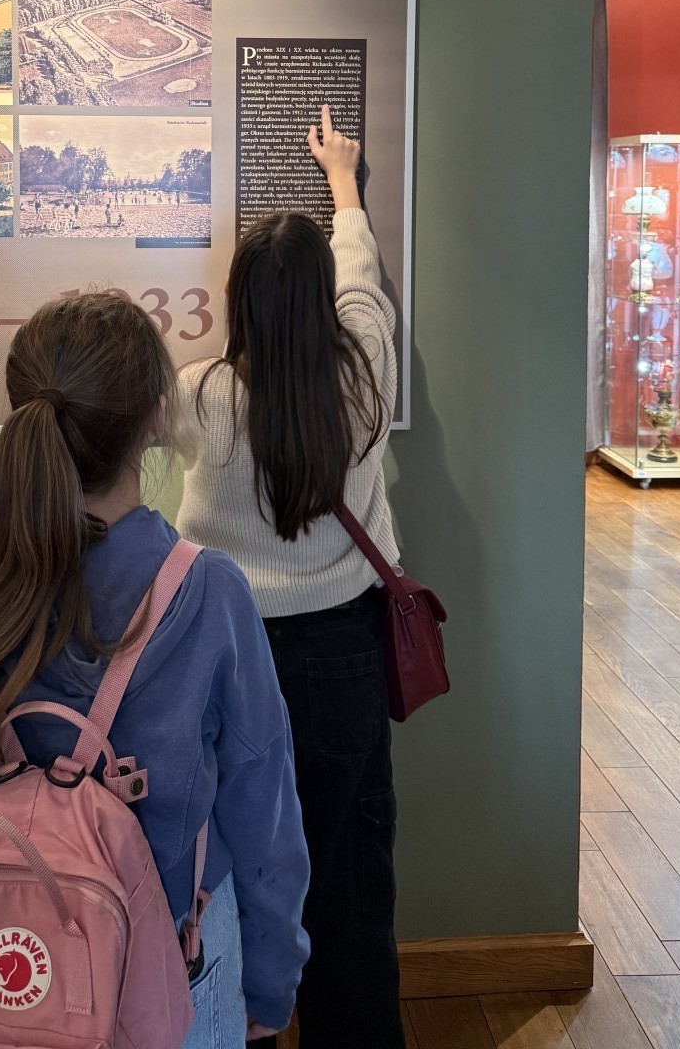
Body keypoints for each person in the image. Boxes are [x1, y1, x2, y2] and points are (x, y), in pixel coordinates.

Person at [0, 291, 310, 1045]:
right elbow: (264, 817)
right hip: (177, 959)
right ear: (156, 418)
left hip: (8, 968)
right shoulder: (207, 592)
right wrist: (272, 981)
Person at [177, 105, 404, 1049]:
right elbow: (361, 285)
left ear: (236, 301)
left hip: (228, 663)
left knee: (235, 872)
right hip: (345, 649)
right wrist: (342, 181)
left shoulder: (201, 395)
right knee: (351, 882)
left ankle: (248, 1028)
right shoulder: (365, 377)